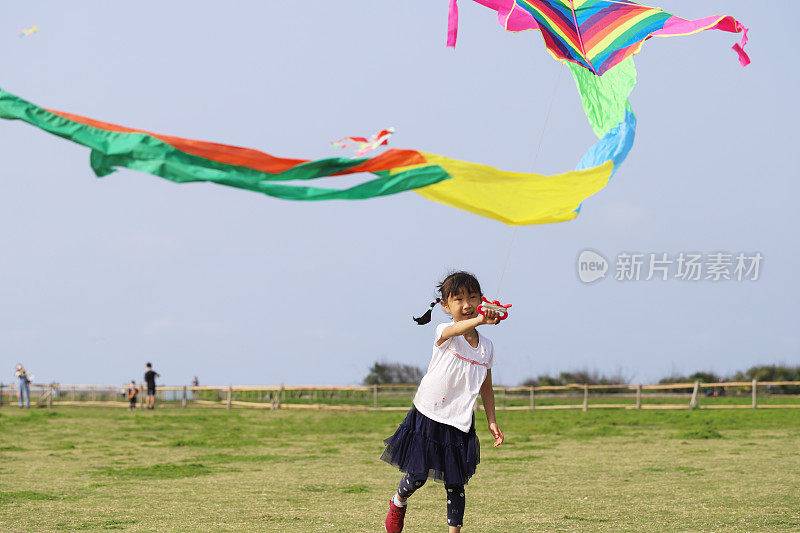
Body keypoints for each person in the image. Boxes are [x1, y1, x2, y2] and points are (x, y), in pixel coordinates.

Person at [381, 271, 504, 533]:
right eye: (458, 299)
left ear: (482, 299)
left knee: (456, 482)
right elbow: (457, 328)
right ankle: (397, 501)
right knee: (418, 476)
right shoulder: (444, 332)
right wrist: (482, 319)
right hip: (429, 413)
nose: (467, 304)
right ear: (446, 306)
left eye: (473, 297)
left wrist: (492, 420)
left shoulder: (487, 347)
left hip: (460, 419)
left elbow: (486, 386)